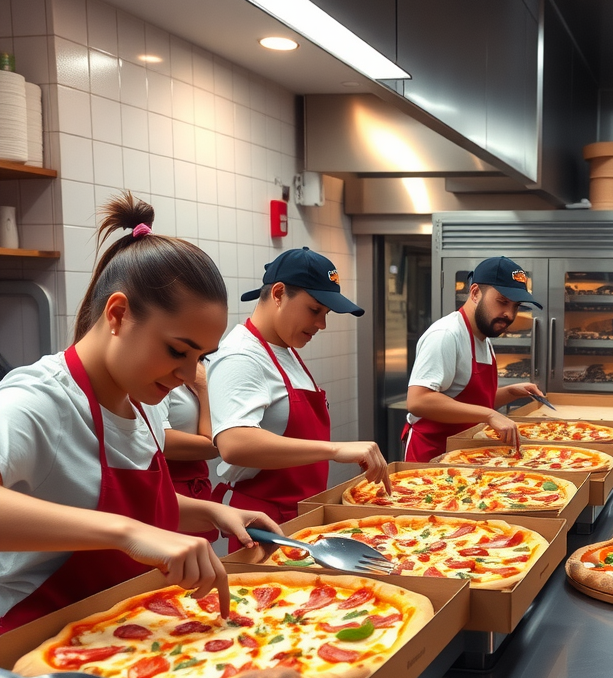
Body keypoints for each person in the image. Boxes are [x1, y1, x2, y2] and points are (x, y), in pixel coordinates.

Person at [0, 193, 276, 632]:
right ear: (118, 313)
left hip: (118, 634)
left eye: (200, 357)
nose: (188, 374)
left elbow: (111, 500)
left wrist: (210, 513)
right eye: (177, 351)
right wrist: (124, 533)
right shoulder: (37, 400)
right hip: (34, 645)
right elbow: (123, 523)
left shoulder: (138, 399)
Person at [209, 248, 390, 536]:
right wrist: (335, 450)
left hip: (301, 513)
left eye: (326, 313)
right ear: (279, 294)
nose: (321, 324)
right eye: (314, 310)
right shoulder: (241, 356)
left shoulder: (285, 349)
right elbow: (234, 444)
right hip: (267, 521)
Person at [404, 256, 546, 462]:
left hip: (464, 456)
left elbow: (467, 402)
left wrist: (510, 392)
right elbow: (418, 400)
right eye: (502, 301)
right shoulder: (446, 334)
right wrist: (490, 415)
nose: (509, 313)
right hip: (432, 460)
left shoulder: (482, 338)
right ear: (475, 293)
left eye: (516, 306)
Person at [152, 361, 219, 542]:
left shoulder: (196, 373)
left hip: (195, 488)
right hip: (168, 487)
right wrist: (205, 387)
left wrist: (203, 388)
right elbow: (160, 440)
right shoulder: (158, 378)